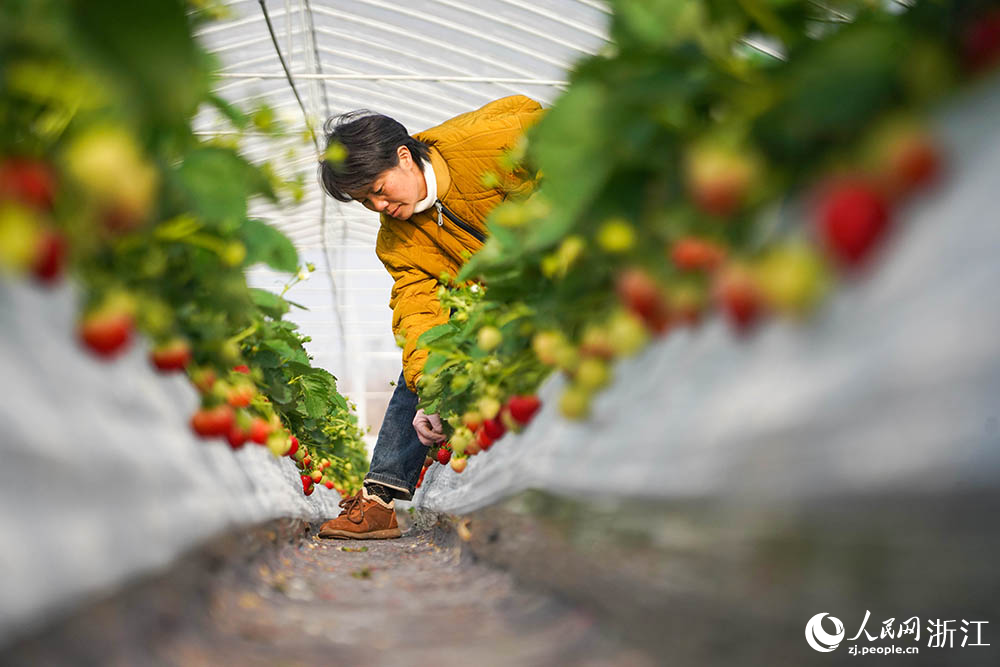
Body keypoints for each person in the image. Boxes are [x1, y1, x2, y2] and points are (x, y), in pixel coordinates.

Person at [315, 95, 543, 539]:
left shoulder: (496, 143)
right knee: (432, 349)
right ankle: (379, 499)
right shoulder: (398, 240)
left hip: (563, 268)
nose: (379, 206)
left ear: (404, 157)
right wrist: (432, 396)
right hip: (497, 303)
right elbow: (419, 311)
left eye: (379, 189)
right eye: (365, 201)